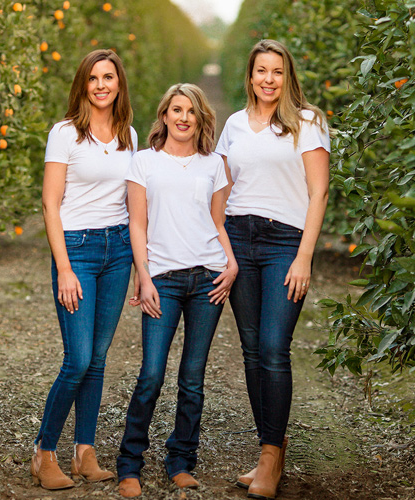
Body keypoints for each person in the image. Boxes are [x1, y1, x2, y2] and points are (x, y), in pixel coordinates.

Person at [215, 39, 330, 500]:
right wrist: (223, 248)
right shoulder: (234, 124)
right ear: (250, 76)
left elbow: (318, 193)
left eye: (276, 72)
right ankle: (271, 446)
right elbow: (220, 191)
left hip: (285, 242)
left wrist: (304, 256)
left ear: (288, 76)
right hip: (239, 239)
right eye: (261, 71)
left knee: (272, 347)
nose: (268, 79)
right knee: (249, 350)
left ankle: (269, 457)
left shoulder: (307, 122)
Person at [116, 83, 238, 498]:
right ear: (164, 115)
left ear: (201, 118)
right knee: (151, 373)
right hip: (163, 281)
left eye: (192, 111)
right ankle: (129, 464)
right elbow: (137, 224)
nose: (184, 117)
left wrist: (232, 262)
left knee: (193, 377)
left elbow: (218, 223)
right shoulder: (143, 163)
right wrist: (144, 275)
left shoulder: (213, 166)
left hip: (208, 279)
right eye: (176, 109)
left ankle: (181, 460)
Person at [30, 49, 137, 490]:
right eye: (93, 78)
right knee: (76, 360)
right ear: (83, 84)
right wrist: (65, 268)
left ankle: (85, 452)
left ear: (118, 83)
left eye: (108, 77)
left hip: (118, 251)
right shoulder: (65, 134)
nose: (101, 85)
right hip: (77, 249)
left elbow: (136, 202)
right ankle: (44, 451)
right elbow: (49, 204)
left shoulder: (129, 134)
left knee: (96, 359)